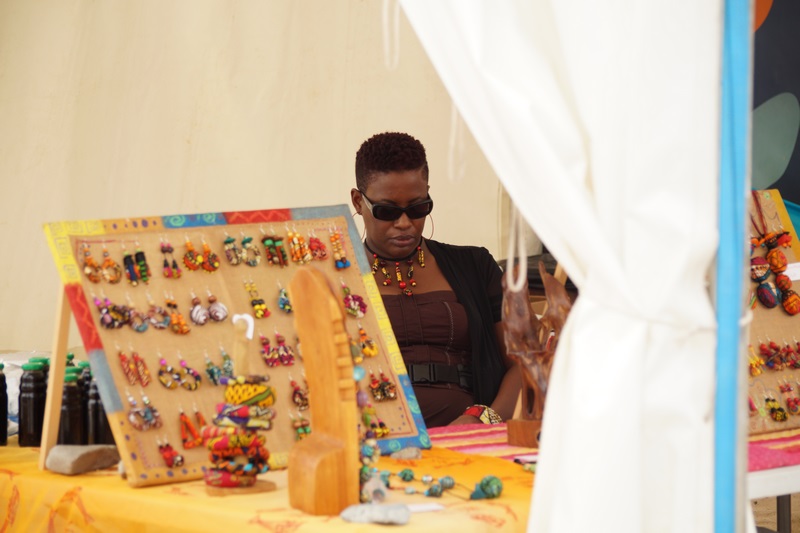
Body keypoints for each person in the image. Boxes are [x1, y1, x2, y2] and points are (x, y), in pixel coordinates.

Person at [351, 131, 521, 427]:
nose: (404, 223)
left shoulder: (475, 266)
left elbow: (524, 365)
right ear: (357, 201)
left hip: (468, 436)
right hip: (372, 436)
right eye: (387, 211)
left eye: (418, 208)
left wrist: (482, 420)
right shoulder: (335, 276)